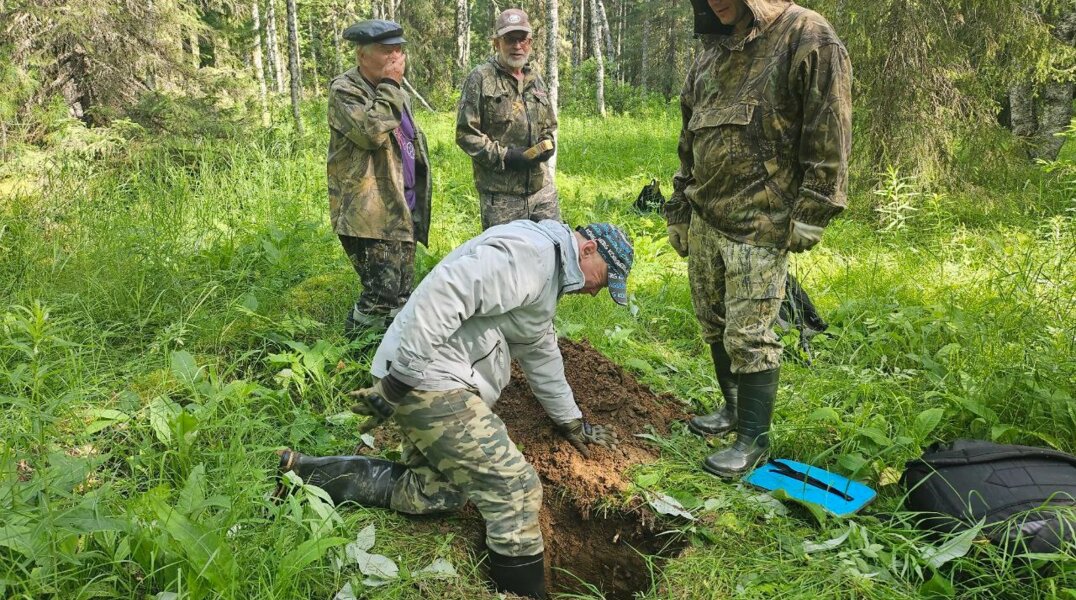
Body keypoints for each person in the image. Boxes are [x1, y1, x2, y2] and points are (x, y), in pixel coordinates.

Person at [276, 219, 634, 599]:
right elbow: (446, 293)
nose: (598, 292)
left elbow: (540, 350)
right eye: (605, 279)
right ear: (590, 249)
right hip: (429, 379)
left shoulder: (548, 273)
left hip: (433, 378)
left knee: (437, 492)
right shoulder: (534, 257)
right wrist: (399, 382)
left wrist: (572, 421)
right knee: (515, 490)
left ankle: (302, 473)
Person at [668, 0, 851, 477]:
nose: (715, 2)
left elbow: (829, 124)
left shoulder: (805, 34)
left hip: (761, 221)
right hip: (707, 215)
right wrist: (679, 208)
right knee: (714, 322)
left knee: (750, 335)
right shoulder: (711, 51)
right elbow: (690, 137)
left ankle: (752, 439)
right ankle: (732, 412)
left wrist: (815, 206)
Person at [328, 19, 431, 336]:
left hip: (402, 205)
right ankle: (355, 349)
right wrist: (390, 85)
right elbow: (371, 132)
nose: (396, 57)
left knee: (401, 292)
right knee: (380, 294)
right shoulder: (345, 91)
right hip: (369, 214)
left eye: (399, 49)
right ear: (362, 55)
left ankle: (390, 352)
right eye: (387, 51)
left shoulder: (395, 92)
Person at [456, 8, 559, 231]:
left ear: (530, 42)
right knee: (507, 263)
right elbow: (466, 134)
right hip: (501, 197)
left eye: (522, 39)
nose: (517, 46)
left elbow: (549, 124)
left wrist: (547, 144)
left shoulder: (536, 79)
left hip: (542, 192)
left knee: (554, 253)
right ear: (496, 43)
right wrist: (506, 157)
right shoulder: (480, 78)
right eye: (509, 39)